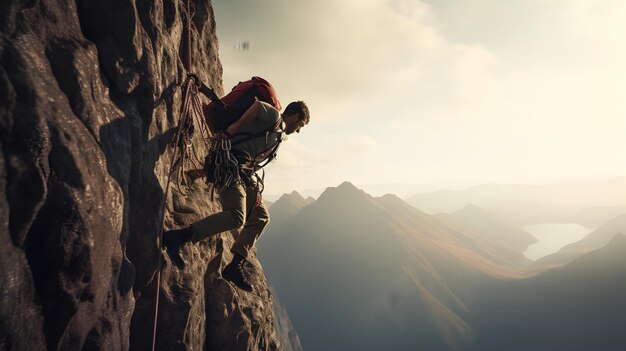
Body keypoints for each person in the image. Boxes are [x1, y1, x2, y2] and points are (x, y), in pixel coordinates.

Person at [163, 98, 310, 292]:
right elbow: (257, 105)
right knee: (236, 216)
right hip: (229, 166)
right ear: (296, 116)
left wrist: (202, 173)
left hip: (240, 173)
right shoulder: (274, 116)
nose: (298, 130)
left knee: (261, 217)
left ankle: (235, 265)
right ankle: (178, 238)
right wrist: (234, 127)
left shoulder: (277, 136)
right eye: (301, 124)